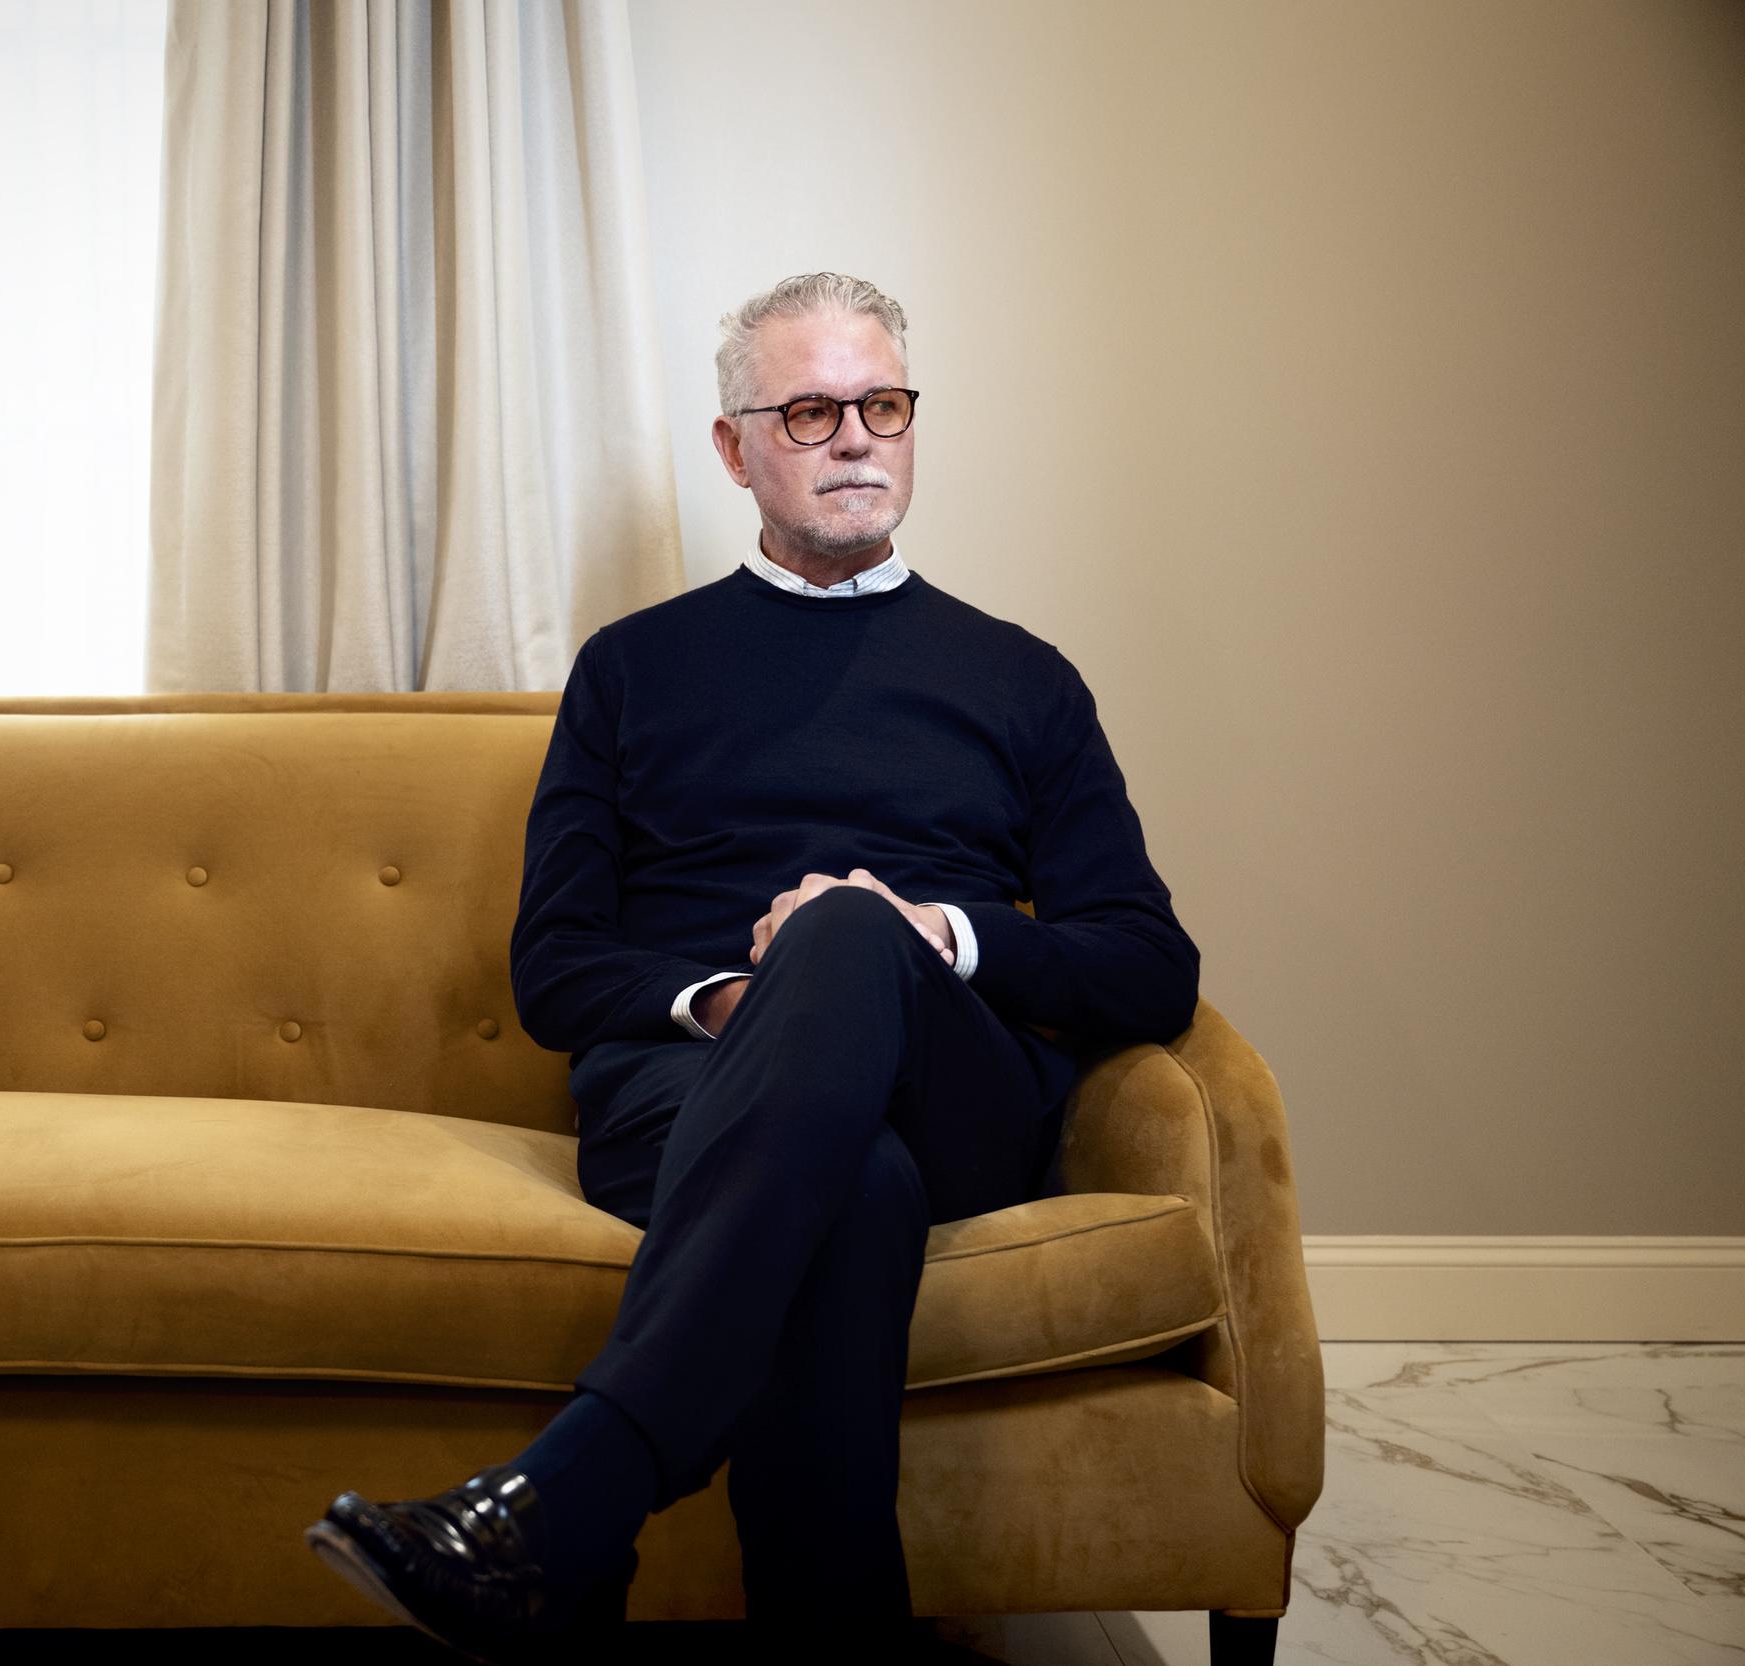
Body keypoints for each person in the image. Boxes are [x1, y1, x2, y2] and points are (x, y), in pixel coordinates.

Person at [304, 271, 1200, 1663]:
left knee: (848, 927)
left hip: (949, 1087)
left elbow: (1147, 965)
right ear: (735, 448)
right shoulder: (632, 669)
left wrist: (933, 937)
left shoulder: (1023, 680)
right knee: (855, 1184)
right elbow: (556, 967)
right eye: (809, 410)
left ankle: (575, 1494)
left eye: (882, 405)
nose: (855, 438)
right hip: (691, 1089)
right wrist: (734, 998)